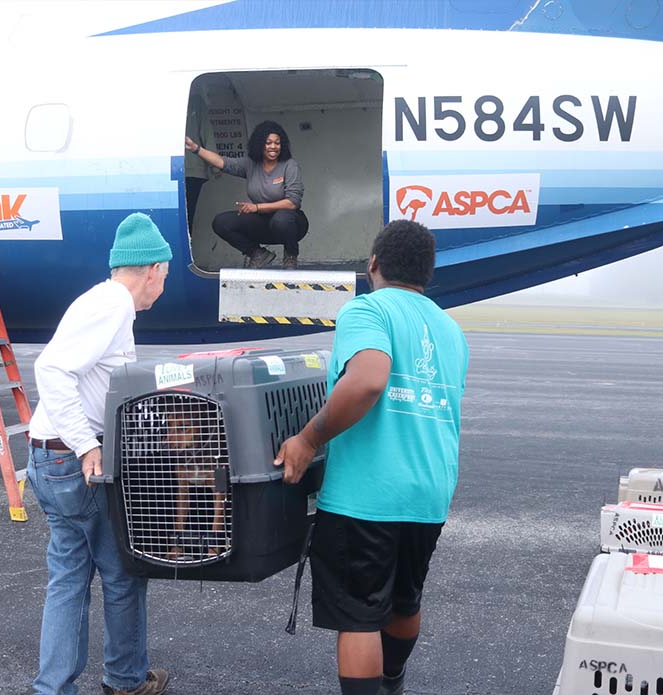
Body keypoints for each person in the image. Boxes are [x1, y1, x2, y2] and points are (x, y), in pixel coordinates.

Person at [273, 220, 469, 695]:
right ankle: (392, 680)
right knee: (404, 600)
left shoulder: (366, 310)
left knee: (359, 615)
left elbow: (367, 380)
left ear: (374, 264)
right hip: (429, 492)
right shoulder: (450, 328)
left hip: (368, 494)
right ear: (428, 272)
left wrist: (308, 438)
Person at [26, 212, 172, 695]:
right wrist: (87, 445)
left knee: (68, 578)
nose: (162, 289)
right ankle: (125, 680)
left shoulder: (101, 302)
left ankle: (53, 688)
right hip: (74, 462)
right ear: (152, 269)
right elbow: (51, 369)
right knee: (123, 572)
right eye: (164, 277)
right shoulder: (112, 305)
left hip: (49, 459)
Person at [184, 119, 308, 269]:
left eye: (277, 143)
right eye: (268, 142)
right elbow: (222, 162)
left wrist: (257, 207)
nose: (273, 147)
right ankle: (257, 253)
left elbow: (292, 203)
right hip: (263, 224)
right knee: (221, 222)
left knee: (281, 219)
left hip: (291, 224)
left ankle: (290, 256)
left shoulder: (290, 165)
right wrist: (195, 148)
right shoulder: (250, 165)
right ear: (259, 144)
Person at [183, 85, 217, 230]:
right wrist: (215, 166)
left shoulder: (195, 102)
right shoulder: (196, 101)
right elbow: (207, 133)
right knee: (187, 216)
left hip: (184, 167)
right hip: (192, 168)